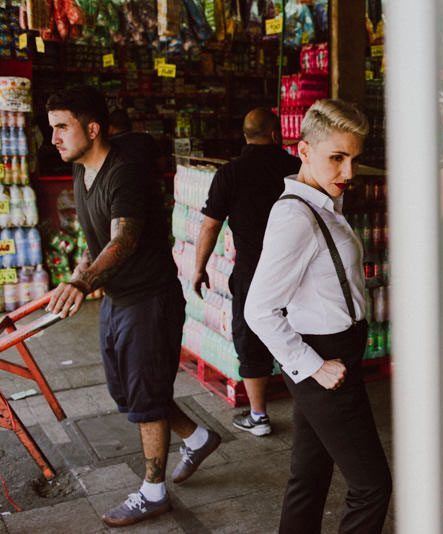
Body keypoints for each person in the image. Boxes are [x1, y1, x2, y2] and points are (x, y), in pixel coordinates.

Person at [45, 86, 221, 527]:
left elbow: (123, 240)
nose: (54, 139)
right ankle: (197, 437)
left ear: (92, 128)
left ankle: (152, 492)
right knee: (128, 392)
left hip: (149, 299)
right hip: (120, 301)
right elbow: (97, 243)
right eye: (52, 129)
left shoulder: (123, 174)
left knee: (145, 397)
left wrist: (84, 283)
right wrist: (75, 276)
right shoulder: (82, 171)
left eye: (62, 128)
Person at [244, 99, 391, 533]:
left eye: (354, 159)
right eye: (337, 158)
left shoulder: (323, 205)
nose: (348, 172)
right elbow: (259, 309)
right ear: (303, 150)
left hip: (335, 351)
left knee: (309, 474)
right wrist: (313, 366)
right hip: (325, 357)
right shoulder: (295, 216)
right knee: (372, 485)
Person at [194, 107, 300, 436]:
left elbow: (210, 226)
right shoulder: (295, 167)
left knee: (250, 338)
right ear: (276, 134)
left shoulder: (230, 174)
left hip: (252, 270)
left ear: (244, 135)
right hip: (296, 269)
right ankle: (310, 414)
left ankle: (259, 416)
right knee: (298, 335)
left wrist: (199, 268)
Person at [107, 108, 166, 176]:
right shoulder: (146, 138)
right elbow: (162, 163)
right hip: (148, 183)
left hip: (121, 185)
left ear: (110, 127)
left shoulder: (109, 145)